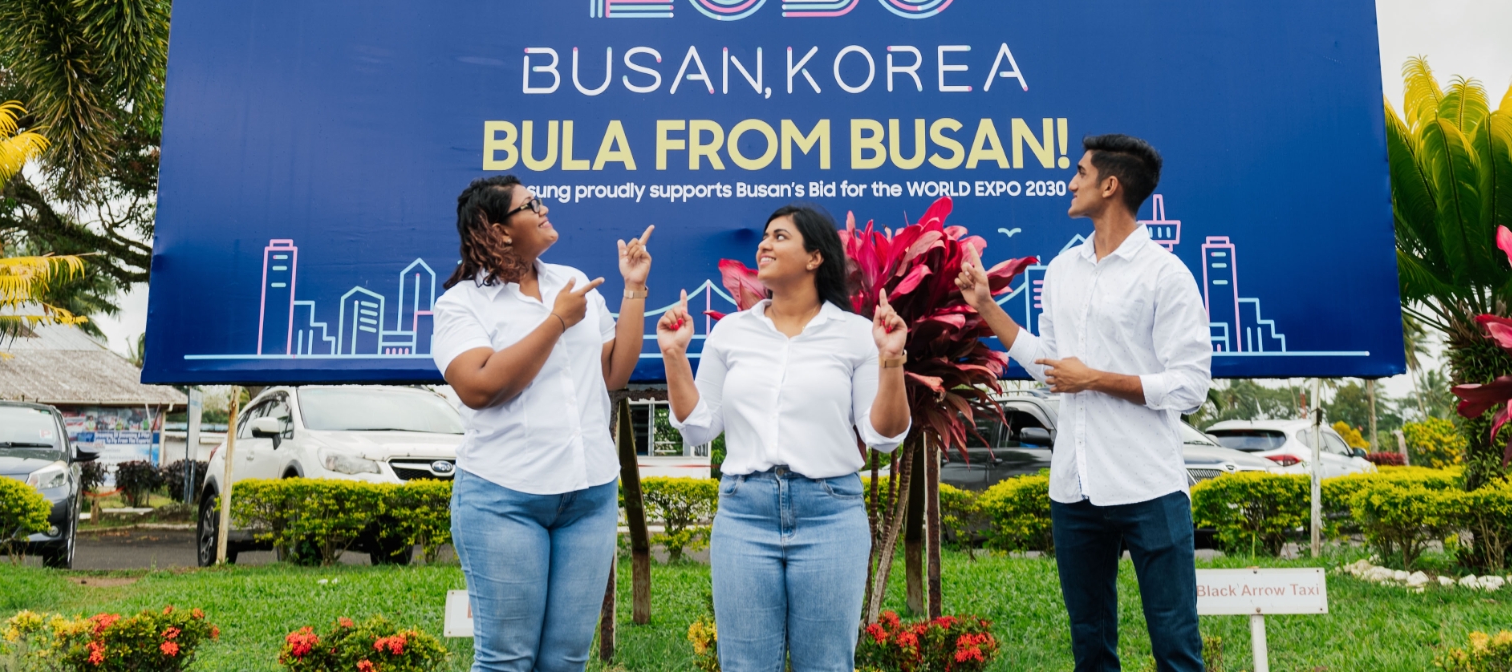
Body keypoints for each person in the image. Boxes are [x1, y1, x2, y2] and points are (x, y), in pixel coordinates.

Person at [956, 134, 1213, 672]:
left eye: (1079, 172)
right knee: (1090, 650)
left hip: (1150, 487)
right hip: (1074, 490)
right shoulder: (1062, 270)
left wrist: (1095, 378)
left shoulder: (1167, 275)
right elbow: (1050, 366)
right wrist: (984, 306)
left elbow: (1190, 387)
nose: (1070, 182)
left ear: (1110, 185)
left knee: (1177, 648)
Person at [656, 205, 910, 672]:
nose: (763, 245)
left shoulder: (857, 335)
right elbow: (699, 426)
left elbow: (883, 436)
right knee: (746, 665)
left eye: (779, 237)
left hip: (830, 514)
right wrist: (675, 358)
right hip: (744, 513)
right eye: (764, 238)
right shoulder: (731, 332)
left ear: (815, 257)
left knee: (827, 665)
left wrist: (891, 361)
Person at [431, 174, 653, 672]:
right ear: (499, 231)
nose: (544, 208)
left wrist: (633, 291)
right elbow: (480, 387)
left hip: (588, 495)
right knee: (507, 658)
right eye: (530, 205)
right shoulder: (462, 303)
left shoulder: (573, 285)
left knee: (566, 659)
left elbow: (614, 371)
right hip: (504, 497)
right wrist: (554, 323)